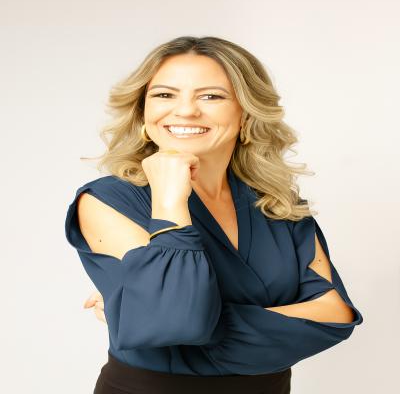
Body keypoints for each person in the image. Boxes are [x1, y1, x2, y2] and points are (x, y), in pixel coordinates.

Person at [64, 36, 363, 394]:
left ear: (246, 113)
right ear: (143, 111)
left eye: (211, 96)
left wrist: (135, 312)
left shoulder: (276, 204)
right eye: (165, 94)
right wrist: (169, 203)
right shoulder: (107, 200)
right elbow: (174, 321)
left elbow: (336, 315)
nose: (186, 111)